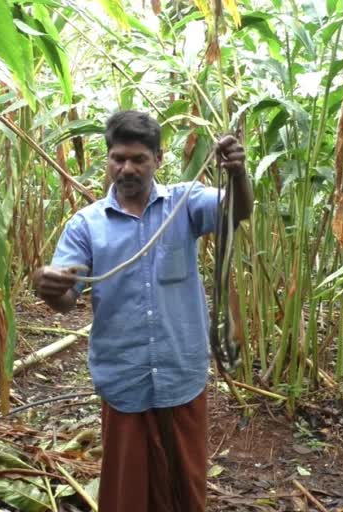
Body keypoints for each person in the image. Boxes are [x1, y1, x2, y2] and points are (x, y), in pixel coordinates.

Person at [32, 110, 254, 512]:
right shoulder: (86, 226)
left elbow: (237, 212)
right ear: (109, 160)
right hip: (124, 375)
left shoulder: (184, 203)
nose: (127, 168)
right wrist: (48, 287)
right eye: (118, 158)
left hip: (180, 368)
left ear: (158, 159)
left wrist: (237, 174)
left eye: (139, 159)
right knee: (127, 488)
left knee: (185, 482)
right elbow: (65, 302)